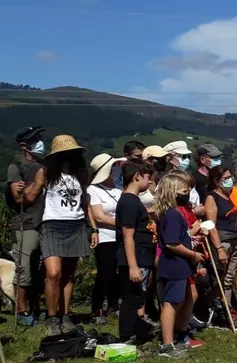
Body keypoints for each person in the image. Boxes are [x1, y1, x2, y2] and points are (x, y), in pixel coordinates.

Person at [41, 135, 96, 335]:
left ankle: (64, 315)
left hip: (76, 224)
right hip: (52, 224)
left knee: (68, 275)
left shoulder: (80, 175)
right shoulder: (46, 174)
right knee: (53, 273)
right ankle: (52, 316)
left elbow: (86, 204)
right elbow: (33, 195)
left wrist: (93, 229)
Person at [155, 171, 207, 358]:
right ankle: (167, 344)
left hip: (180, 265)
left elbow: (179, 238)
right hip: (174, 265)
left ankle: (178, 335)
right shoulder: (172, 215)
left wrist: (190, 239)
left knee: (182, 299)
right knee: (172, 303)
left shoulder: (172, 214)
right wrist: (193, 254)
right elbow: (172, 243)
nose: (187, 195)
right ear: (173, 192)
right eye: (184, 191)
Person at [5, 126, 46, 326]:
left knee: (39, 269)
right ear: (24, 145)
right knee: (25, 268)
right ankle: (21, 310)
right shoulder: (16, 167)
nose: (40, 142)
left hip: (45, 223)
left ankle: (36, 307)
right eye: (35, 139)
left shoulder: (45, 166)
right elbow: (19, 198)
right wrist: (36, 183)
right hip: (26, 223)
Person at [116, 158, 157, 344]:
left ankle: (138, 332)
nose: (150, 181)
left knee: (138, 296)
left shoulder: (134, 201)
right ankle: (126, 337)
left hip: (143, 256)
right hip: (136, 258)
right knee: (131, 298)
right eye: (148, 177)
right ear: (137, 176)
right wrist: (133, 266)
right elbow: (128, 236)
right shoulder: (129, 202)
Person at [204, 166, 237, 323]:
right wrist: (219, 248)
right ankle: (219, 310)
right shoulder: (212, 198)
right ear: (217, 181)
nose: (230, 180)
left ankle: (227, 309)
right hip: (224, 242)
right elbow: (211, 225)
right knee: (220, 279)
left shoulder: (231, 196)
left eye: (230, 177)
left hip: (235, 241)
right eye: (226, 178)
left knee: (229, 279)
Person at [87, 153, 123, 325]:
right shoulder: (93, 190)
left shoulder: (119, 187)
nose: (117, 169)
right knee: (105, 273)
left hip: (121, 236)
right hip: (105, 237)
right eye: (113, 166)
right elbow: (99, 216)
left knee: (118, 273)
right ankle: (97, 308)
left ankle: (114, 305)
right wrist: (124, 223)